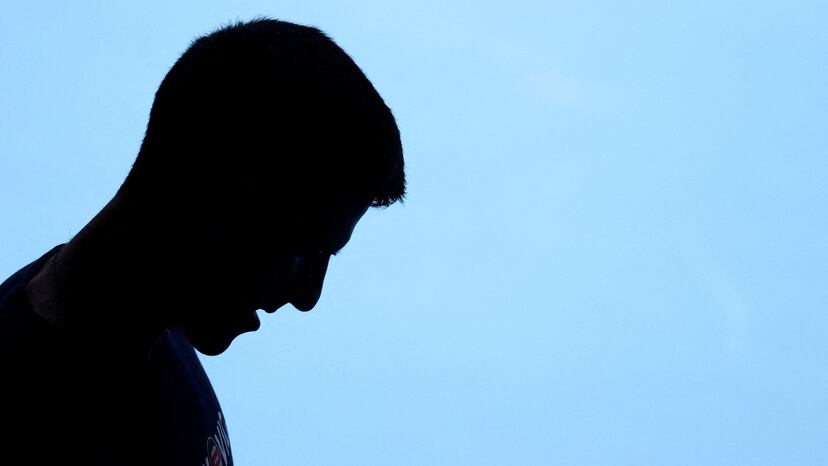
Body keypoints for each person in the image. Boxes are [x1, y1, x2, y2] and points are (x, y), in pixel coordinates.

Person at [0, 18, 405, 465]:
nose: (308, 296)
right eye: (307, 248)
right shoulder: (31, 415)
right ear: (221, 196)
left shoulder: (154, 333)